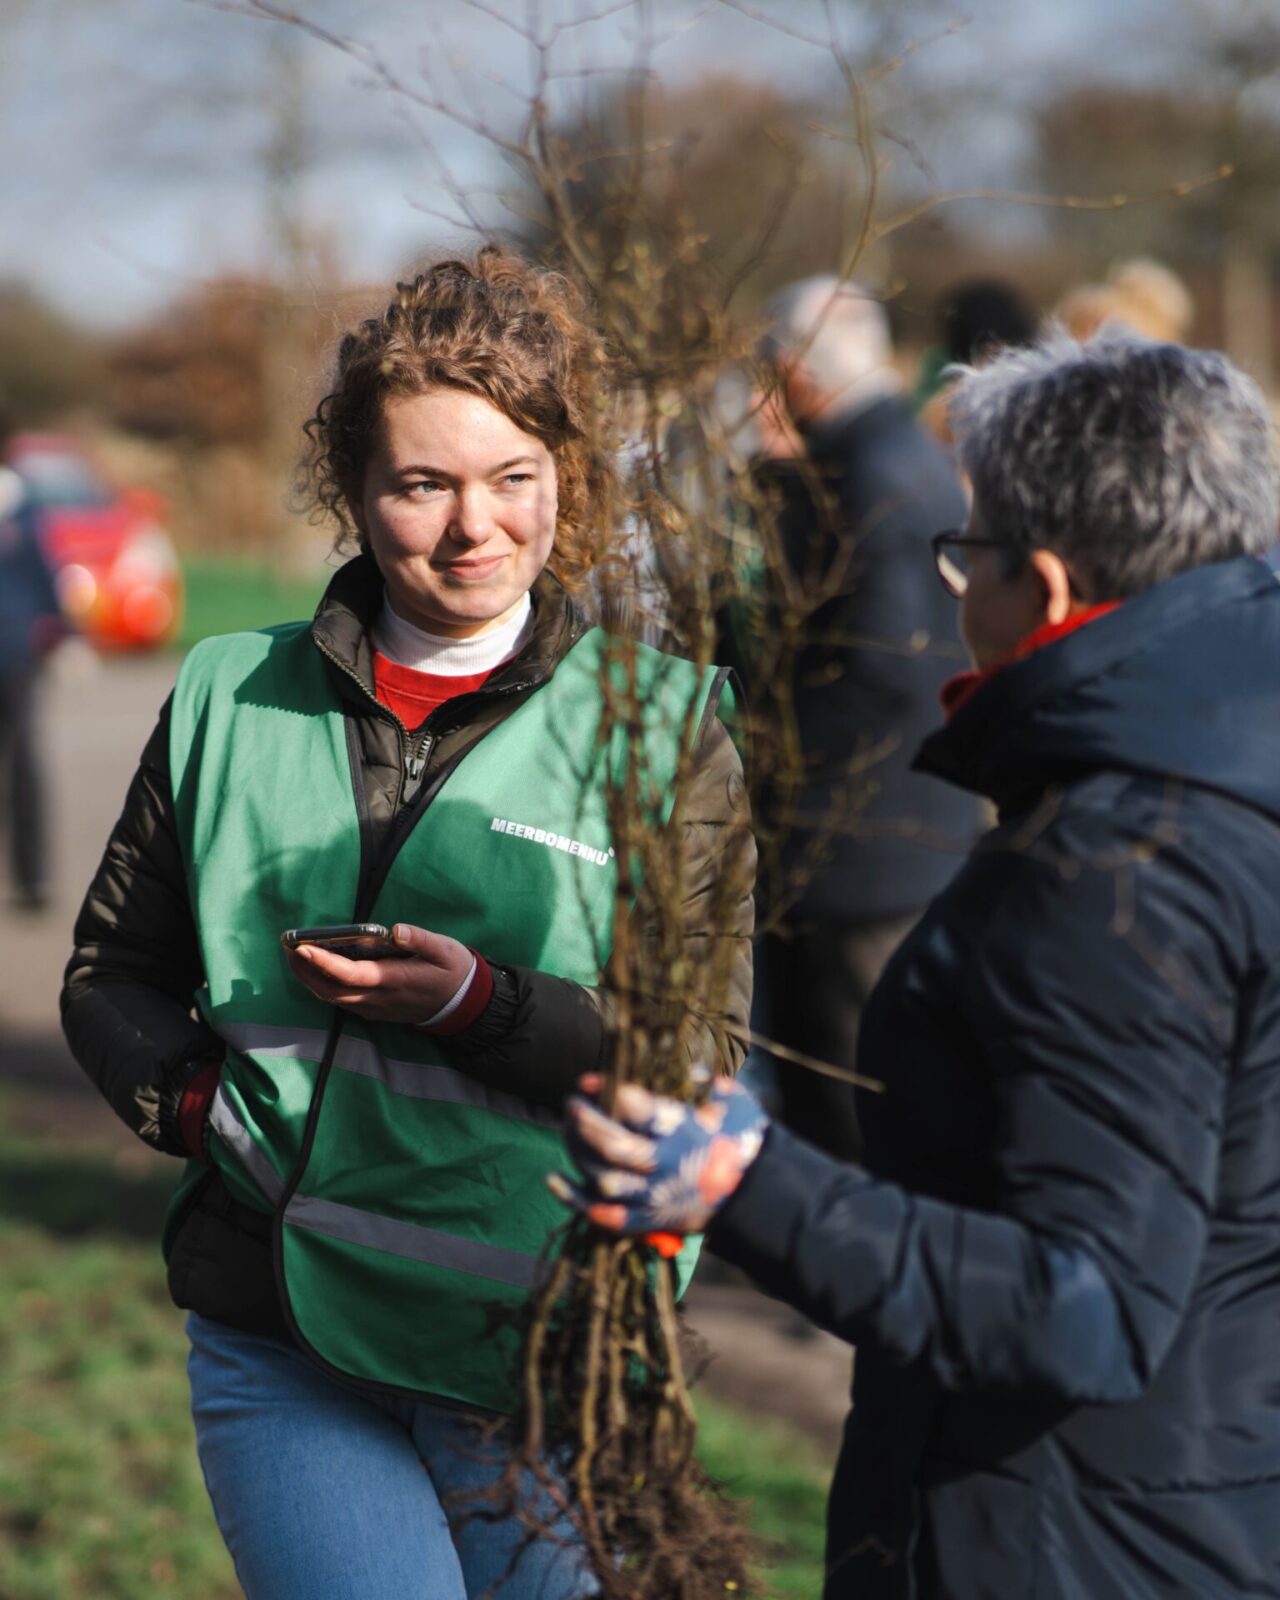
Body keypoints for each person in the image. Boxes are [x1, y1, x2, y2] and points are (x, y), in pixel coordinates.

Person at [61, 248, 754, 1600]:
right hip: (283, 1326)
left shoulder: (666, 729)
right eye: (422, 484)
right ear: (354, 491)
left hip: (538, 1353)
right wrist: (201, 1107)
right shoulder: (224, 692)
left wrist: (478, 1008)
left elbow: (694, 1058)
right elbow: (110, 976)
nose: (472, 528)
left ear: (570, 482)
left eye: (513, 481)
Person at [561, 334, 1280, 1599]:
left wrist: (746, 1185)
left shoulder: (1117, 869)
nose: (955, 587)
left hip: (1067, 1538)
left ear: (1045, 587)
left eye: (969, 554)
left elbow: (1085, 1306)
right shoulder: (1228, 770)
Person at [741, 276, 980, 1161]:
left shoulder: (864, 476)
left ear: (800, 371)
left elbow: (879, 668)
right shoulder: (900, 455)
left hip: (859, 840)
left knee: (848, 1102)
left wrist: (760, 761)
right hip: (900, 825)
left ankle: (848, 1297)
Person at [0, 406, 63, 910]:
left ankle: (33, 877)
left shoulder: (19, 500)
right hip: (15, 649)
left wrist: (65, 629)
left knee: (23, 763)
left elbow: (45, 573)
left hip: (14, 654)